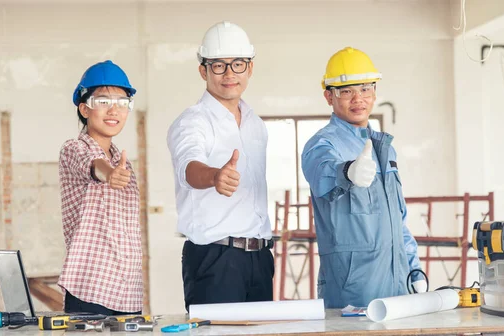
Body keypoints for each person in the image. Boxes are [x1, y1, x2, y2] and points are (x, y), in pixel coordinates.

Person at [301, 47, 426, 309]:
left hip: (399, 285)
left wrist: (413, 268)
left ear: (375, 93)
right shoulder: (322, 145)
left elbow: (397, 219)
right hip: (353, 290)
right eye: (346, 91)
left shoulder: (384, 148)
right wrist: (346, 171)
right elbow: (323, 172)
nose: (358, 99)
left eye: (365, 89)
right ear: (329, 96)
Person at [167, 21, 273, 311]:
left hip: (261, 259)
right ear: (203, 70)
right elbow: (189, 167)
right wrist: (214, 176)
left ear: (250, 68)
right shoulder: (192, 121)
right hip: (216, 261)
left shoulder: (256, 125)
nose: (229, 74)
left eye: (237, 64)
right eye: (218, 65)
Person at [58, 60, 143, 315]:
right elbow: (93, 166)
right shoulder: (73, 149)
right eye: (103, 102)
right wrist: (109, 174)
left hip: (127, 292)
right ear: (84, 109)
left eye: (122, 102)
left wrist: (116, 170)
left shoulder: (124, 162)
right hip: (90, 289)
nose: (113, 110)